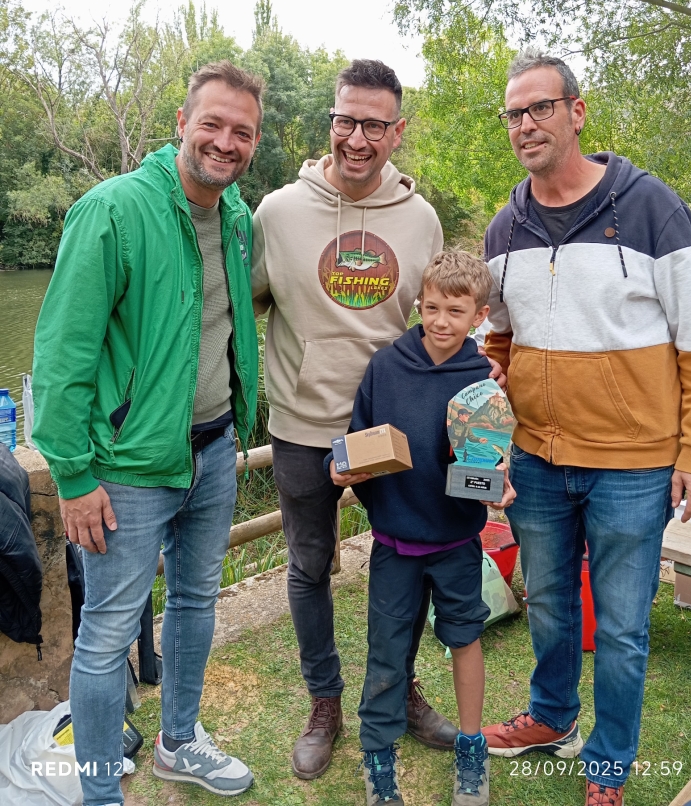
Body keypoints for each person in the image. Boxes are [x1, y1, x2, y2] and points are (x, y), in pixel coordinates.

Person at [251, 59, 505, 779]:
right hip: (305, 427)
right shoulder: (277, 211)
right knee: (309, 566)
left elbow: (440, 317)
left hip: (401, 431)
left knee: (409, 557)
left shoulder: (419, 218)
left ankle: (405, 690)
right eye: (344, 120)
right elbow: (244, 307)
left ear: (397, 132)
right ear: (330, 120)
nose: (356, 139)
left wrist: (475, 388)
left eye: (373, 125)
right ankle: (325, 703)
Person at [481, 48, 691, 806]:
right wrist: (491, 409)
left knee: (619, 629)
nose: (526, 124)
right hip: (539, 456)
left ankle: (609, 762)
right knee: (548, 605)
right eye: (514, 113)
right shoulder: (503, 228)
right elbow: (500, 341)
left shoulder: (652, 207)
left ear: (577, 112)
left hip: (633, 463)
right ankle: (551, 717)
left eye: (540, 107)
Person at [32, 61, 263, 804]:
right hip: (127, 467)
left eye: (243, 132)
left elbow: (225, 329)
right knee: (106, 633)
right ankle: (101, 791)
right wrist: (72, 474)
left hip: (214, 448)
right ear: (182, 122)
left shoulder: (236, 218)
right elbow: (63, 353)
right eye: (214, 124)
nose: (226, 143)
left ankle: (178, 741)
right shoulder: (112, 210)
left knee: (196, 601)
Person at [327, 251, 516, 806]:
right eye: (431, 307)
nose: (440, 321)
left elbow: (493, 462)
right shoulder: (385, 366)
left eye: (455, 311)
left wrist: (501, 485)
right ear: (418, 304)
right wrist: (337, 468)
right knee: (385, 653)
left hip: (458, 543)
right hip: (392, 546)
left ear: (479, 315)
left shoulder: (484, 378)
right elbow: (353, 441)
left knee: (465, 638)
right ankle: (378, 761)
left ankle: (472, 750)